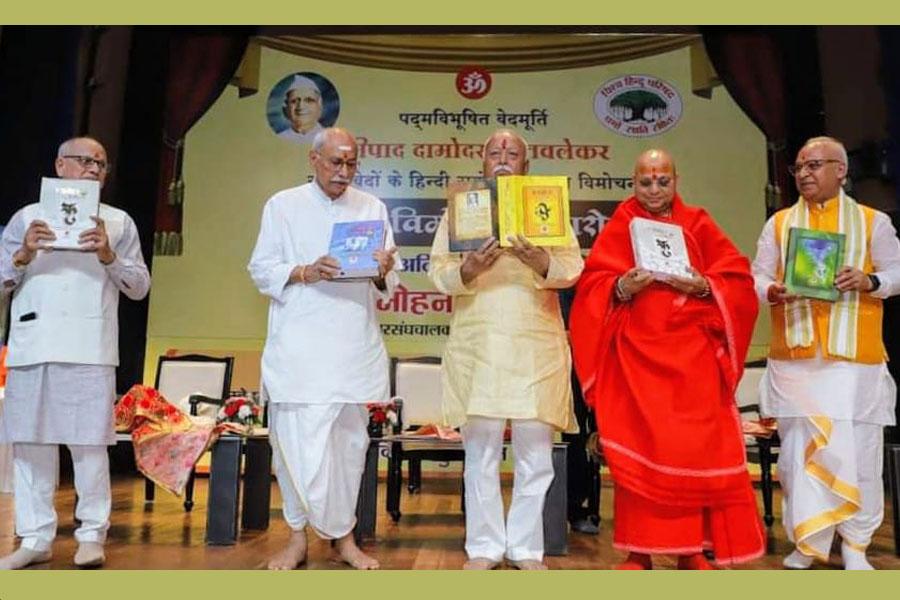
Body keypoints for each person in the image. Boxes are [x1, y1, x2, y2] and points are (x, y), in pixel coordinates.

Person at [570, 149, 765, 570]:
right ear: (633, 182)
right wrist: (622, 286)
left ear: (676, 180)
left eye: (663, 181)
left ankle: (690, 550)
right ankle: (639, 552)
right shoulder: (621, 224)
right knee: (637, 455)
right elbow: (592, 287)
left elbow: (737, 278)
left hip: (692, 361)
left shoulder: (698, 222)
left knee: (691, 455)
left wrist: (702, 286)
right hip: (636, 361)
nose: (654, 190)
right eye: (645, 182)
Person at [429, 129, 584, 570]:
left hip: (535, 343)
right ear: (482, 163)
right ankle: (484, 547)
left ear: (525, 166)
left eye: (511, 153)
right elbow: (437, 273)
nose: (502, 158)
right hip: (479, 343)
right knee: (480, 452)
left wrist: (542, 262)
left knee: (536, 454)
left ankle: (526, 549)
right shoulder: (462, 210)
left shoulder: (548, 210)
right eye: (494, 152)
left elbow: (573, 268)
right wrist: (468, 269)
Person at [248, 127, 399, 570]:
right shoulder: (283, 205)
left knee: (348, 450)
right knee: (296, 449)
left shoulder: (371, 206)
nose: (344, 171)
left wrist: (381, 270)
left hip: (352, 347)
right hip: (299, 351)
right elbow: (261, 269)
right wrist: (304, 271)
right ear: (314, 160)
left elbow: (387, 280)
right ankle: (296, 538)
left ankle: (345, 539)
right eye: (336, 162)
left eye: (351, 163)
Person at [0, 136, 150, 569]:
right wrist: (24, 253)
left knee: (89, 445)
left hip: (90, 347)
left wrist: (108, 255)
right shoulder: (27, 218)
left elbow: (139, 287)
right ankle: (35, 537)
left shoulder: (117, 223)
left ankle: (91, 534)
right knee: (30, 445)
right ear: (59, 165)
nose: (92, 169)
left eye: (100, 164)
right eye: (83, 161)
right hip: (32, 345)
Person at [753, 136, 900, 570]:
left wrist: (869, 281)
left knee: (858, 449)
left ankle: (855, 546)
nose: (803, 174)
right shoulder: (779, 223)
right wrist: (772, 290)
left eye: (814, 165)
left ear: (841, 170)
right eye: (798, 167)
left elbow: (896, 273)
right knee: (798, 454)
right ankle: (809, 542)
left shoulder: (873, 222)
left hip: (854, 360)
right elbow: (756, 277)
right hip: (797, 360)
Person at [278, 75, 325, 143]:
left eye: (309, 100)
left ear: (319, 107)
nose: (301, 106)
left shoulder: (330, 138)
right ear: (286, 109)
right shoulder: (280, 138)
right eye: (294, 101)